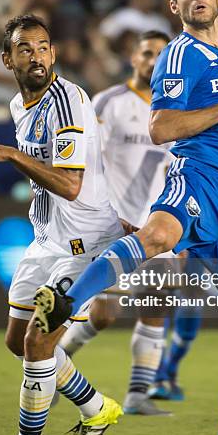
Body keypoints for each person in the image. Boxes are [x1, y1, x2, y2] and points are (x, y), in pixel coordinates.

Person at [34, 0, 218, 435]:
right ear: (175, 6)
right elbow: (162, 128)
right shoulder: (178, 54)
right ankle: (64, 302)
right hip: (197, 181)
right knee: (160, 233)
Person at [0, 14, 124, 435]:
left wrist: (11, 155)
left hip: (86, 242)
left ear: (54, 53)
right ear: (7, 59)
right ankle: (95, 407)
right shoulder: (18, 105)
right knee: (18, 341)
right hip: (46, 239)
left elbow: (70, 185)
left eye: (44, 46)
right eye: (25, 49)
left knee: (37, 339)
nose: (37, 56)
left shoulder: (67, 102)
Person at [59, 30, 175, 415]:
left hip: (160, 224)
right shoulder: (108, 102)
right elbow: (85, 162)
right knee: (105, 315)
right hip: (118, 226)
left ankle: (138, 395)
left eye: (162, 54)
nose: (154, 61)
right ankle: (57, 360)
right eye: (147, 53)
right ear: (133, 58)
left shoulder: (177, 108)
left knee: (157, 305)